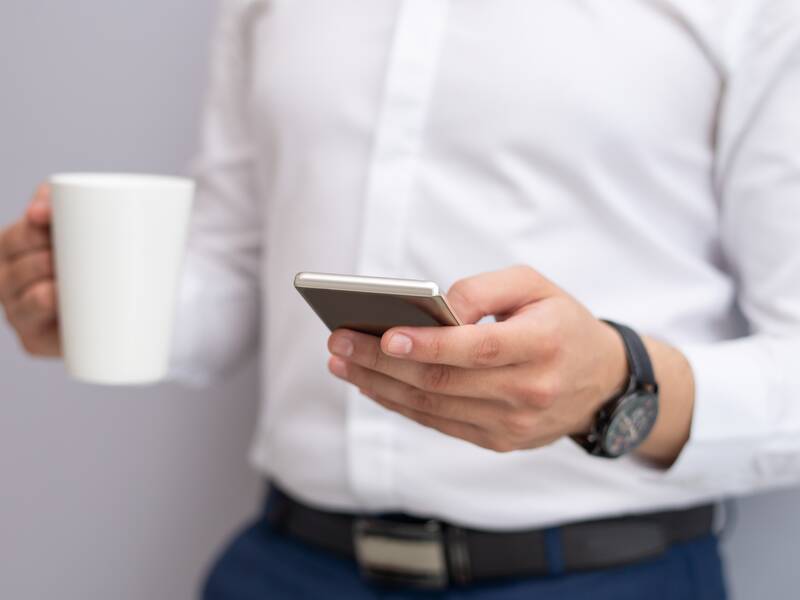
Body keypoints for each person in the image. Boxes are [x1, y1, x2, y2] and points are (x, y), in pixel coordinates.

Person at [2, 1, 800, 598]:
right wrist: (91, 304)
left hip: (598, 577)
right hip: (287, 567)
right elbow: (238, 271)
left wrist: (616, 388)